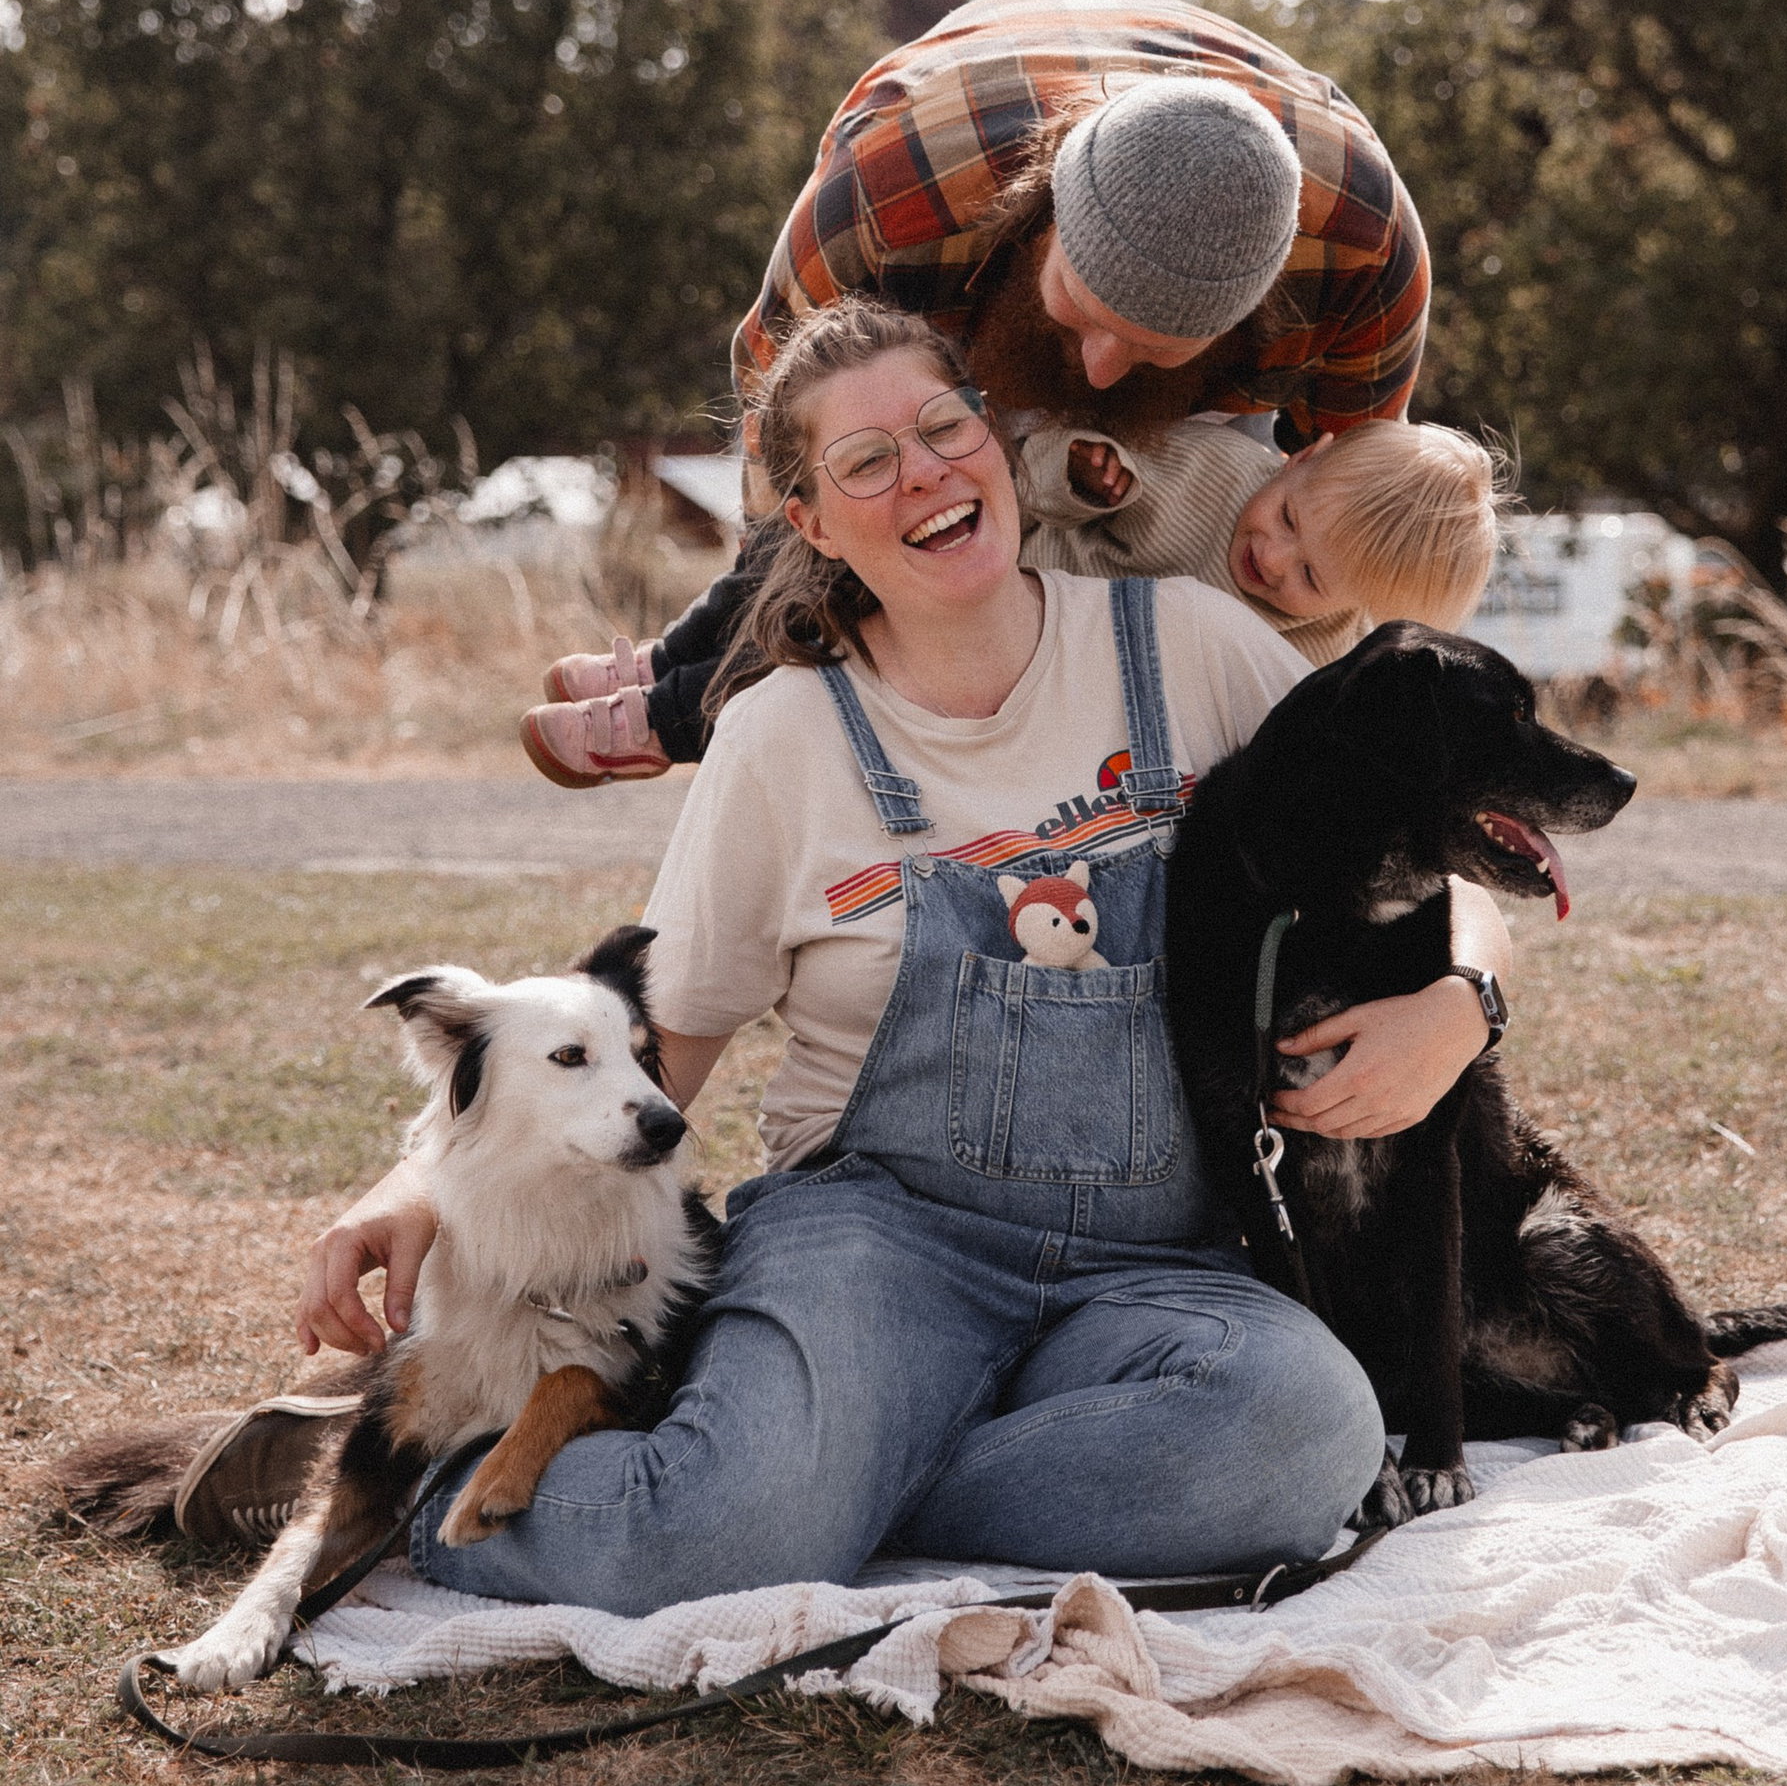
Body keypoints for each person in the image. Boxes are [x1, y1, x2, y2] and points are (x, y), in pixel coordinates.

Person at [289, 297, 1518, 1603]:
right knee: (707, 1534)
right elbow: (661, 1050)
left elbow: (1436, 856)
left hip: (1155, 1265)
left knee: (1300, 1441)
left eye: (945, 427)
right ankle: (467, 1491)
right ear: (809, 521)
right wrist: (423, 1187)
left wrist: (1461, 998)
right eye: (868, 462)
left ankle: (830, 1481)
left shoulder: (1195, 649)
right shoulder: (781, 739)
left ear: (994, 442)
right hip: (877, 1247)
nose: (925, 473)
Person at [522, 0, 1431, 787]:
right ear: (1044, 223)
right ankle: (674, 690)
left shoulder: (1365, 260)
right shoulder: (885, 207)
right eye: (1082, 311)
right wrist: (745, 652)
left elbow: (1350, 520)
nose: (1103, 371)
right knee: (873, 508)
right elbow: (791, 463)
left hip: (1203, 411)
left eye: (1155, 350)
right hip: (960, 173)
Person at [1011, 411, 1505, 665]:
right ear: (1305, 456)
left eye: (1310, 577)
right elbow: (1025, 486)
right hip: (1018, 604)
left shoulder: (1324, 651)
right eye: (1288, 518)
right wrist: (1080, 478)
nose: (1272, 559)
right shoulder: (1208, 465)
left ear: (1359, 605)